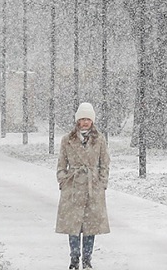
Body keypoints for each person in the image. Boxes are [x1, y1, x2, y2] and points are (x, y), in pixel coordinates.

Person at [56, 102, 109, 269]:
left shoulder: (99, 139)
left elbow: (105, 163)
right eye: (82, 119)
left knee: (90, 226)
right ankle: (74, 258)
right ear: (77, 121)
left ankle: (87, 259)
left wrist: (102, 182)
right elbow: (61, 163)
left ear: (92, 121)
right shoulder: (67, 140)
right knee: (73, 225)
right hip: (73, 186)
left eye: (88, 119)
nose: (85, 122)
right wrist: (63, 180)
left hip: (92, 187)